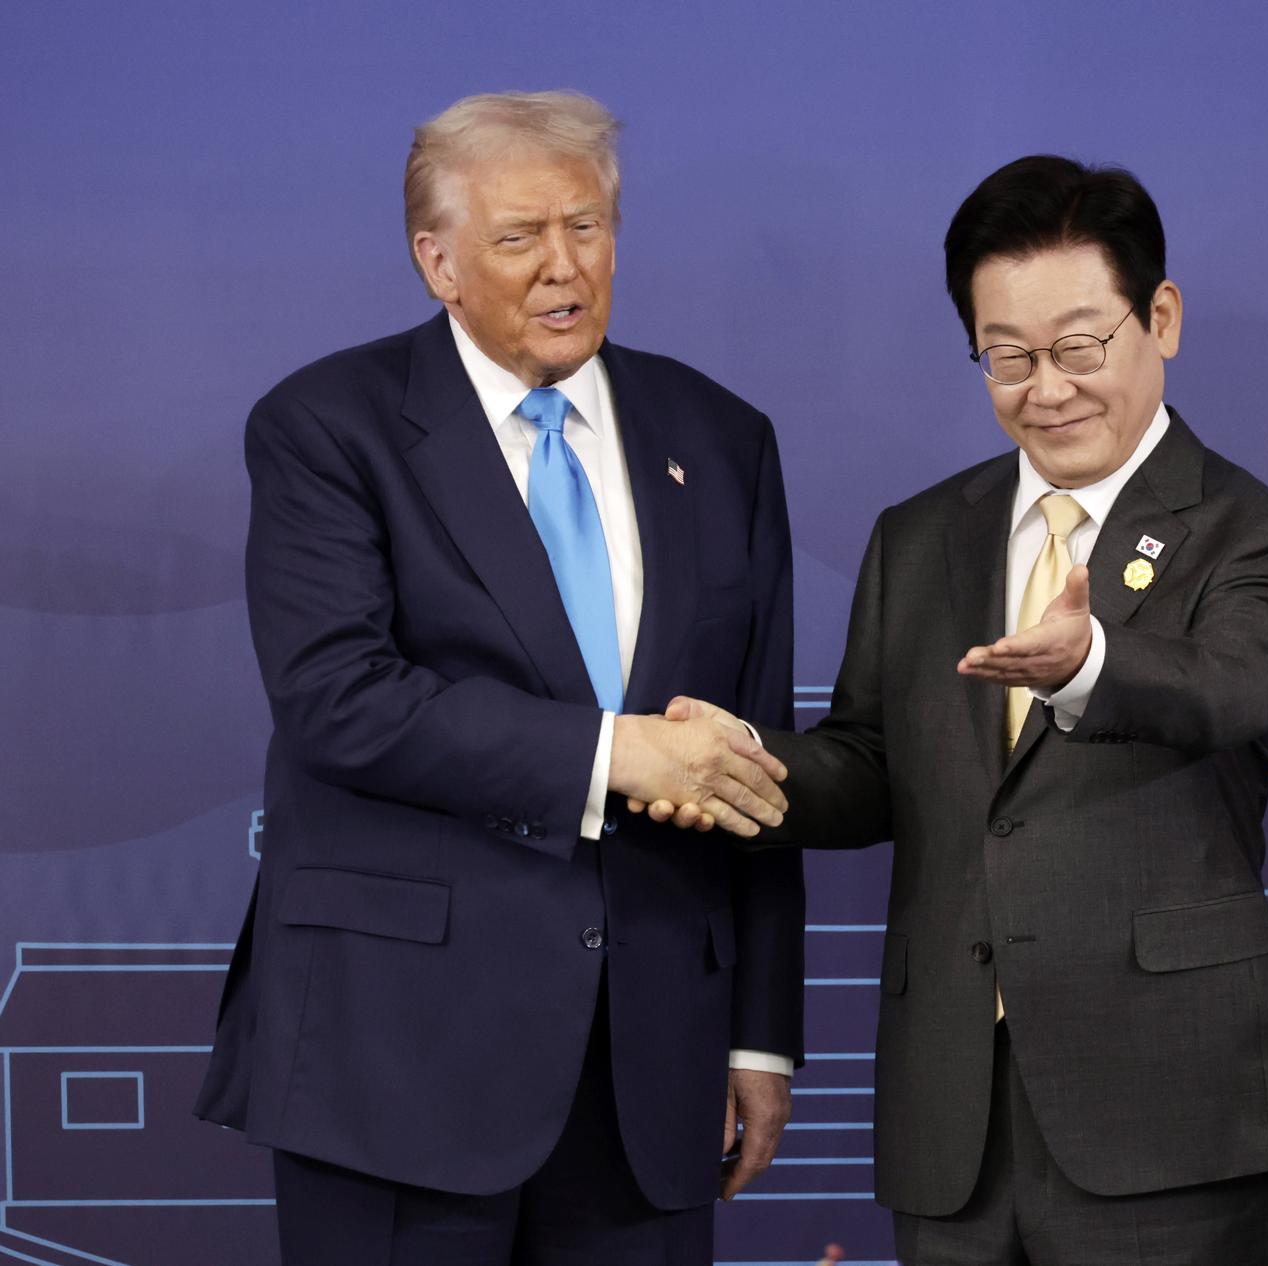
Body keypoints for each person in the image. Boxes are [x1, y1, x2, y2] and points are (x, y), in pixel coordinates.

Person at [642, 156, 1268, 1264]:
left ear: (1158, 318)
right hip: (952, 1113)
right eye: (1007, 356)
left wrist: (1085, 664)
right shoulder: (922, 535)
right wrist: (736, 766)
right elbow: (874, 761)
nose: (1047, 388)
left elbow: (1229, 690)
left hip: (1168, 1113)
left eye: (1078, 347)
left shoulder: (1256, 532)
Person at [195, 90, 805, 1266]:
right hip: (399, 1062)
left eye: (587, 228)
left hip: (652, 1067)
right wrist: (611, 752)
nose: (563, 266)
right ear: (438, 261)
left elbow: (755, 752)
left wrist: (758, 1039)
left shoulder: (723, 437)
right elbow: (339, 699)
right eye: (519, 238)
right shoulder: (329, 426)